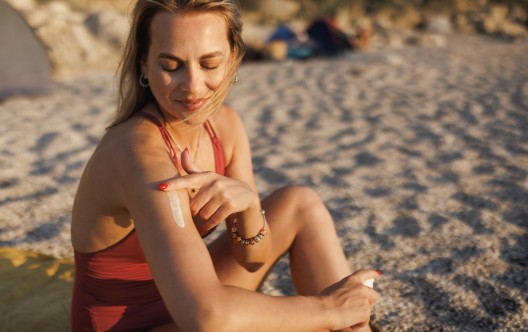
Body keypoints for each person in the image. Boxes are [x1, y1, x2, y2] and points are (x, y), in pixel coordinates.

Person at [70, 1, 380, 331]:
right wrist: (327, 309)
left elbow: (252, 260)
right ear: (144, 64)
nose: (192, 86)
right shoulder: (138, 154)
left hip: (191, 299)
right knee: (318, 318)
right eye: (172, 66)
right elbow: (206, 318)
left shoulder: (224, 126)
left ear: (233, 59)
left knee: (299, 203)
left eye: (209, 64)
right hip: (135, 324)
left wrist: (247, 208)